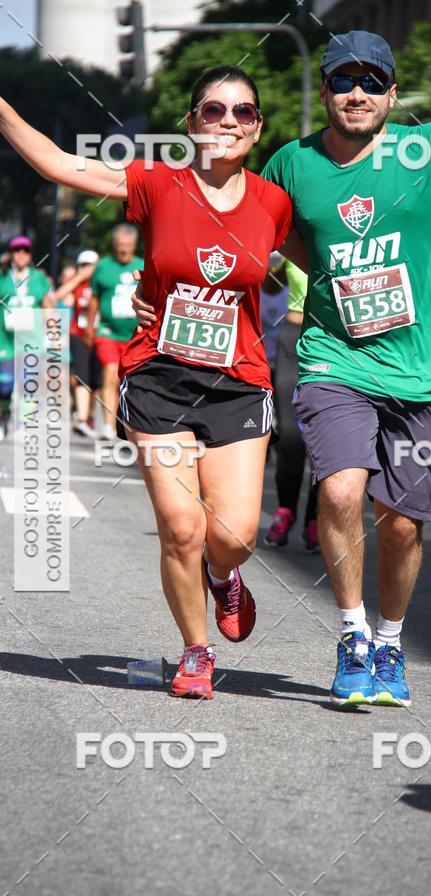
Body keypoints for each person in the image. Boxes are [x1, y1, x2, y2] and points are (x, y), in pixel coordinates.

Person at [134, 6, 431, 707]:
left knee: (401, 523)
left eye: (372, 80)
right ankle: (353, 633)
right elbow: (235, 225)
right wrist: (153, 290)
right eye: (342, 81)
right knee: (338, 490)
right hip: (335, 360)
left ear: (392, 95)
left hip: (424, 372)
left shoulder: (427, 151)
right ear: (328, 91)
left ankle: (391, 644)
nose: (356, 92)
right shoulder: (292, 162)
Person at [0, 64, 293, 700]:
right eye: (212, 111)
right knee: (181, 526)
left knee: (234, 535)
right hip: (157, 376)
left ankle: (224, 576)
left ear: (258, 126)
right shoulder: (156, 184)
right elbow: (58, 165)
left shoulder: (274, 203)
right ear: (190, 124)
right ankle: (196, 650)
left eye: (242, 112)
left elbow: (337, 260)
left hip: (239, 382)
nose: (227, 123)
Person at [264, 258, 319, 553]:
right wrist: (271, 263)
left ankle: (315, 517)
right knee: (289, 435)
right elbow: (270, 290)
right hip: (293, 338)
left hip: (331, 340)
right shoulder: (292, 238)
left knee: (323, 439)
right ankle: (285, 509)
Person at [86, 225, 143, 441]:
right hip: (107, 332)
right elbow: (94, 298)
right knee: (110, 374)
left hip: (134, 335)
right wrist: (90, 328)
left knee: (126, 379)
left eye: (127, 245)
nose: (123, 250)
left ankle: (123, 424)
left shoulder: (142, 265)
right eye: (119, 245)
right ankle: (108, 425)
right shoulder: (103, 266)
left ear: (134, 246)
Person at [0, 236, 52, 439]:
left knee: (29, 381)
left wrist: (52, 334)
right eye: (17, 250)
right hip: (5, 338)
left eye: (25, 250)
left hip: (32, 338)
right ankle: (3, 417)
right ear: (12, 253)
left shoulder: (38, 277)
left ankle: (25, 423)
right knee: (4, 385)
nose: (21, 253)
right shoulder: (3, 275)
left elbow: (47, 306)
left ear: (30, 254)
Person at [48, 250, 101, 438]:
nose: (86, 269)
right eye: (83, 265)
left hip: (101, 335)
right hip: (78, 334)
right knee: (81, 377)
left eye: (90, 265)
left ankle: (89, 416)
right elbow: (56, 296)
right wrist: (78, 277)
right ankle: (82, 418)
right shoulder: (78, 284)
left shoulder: (101, 283)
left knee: (96, 381)